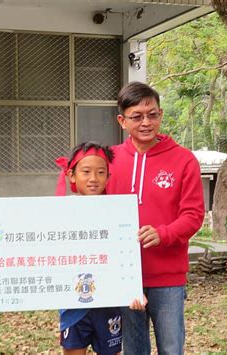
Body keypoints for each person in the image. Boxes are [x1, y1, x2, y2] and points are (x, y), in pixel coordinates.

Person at [106, 82, 204, 354]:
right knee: (134, 349)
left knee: (171, 348)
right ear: (122, 120)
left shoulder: (184, 160)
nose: (146, 122)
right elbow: (85, 195)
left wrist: (164, 233)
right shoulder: (109, 160)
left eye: (152, 114)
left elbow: (194, 215)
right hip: (124, 275)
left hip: (168, 277)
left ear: (160, 114)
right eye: (137, 116)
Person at [55, 141, 146, 355]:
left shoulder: (119, 213)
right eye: (86, 171)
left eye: (100, 172)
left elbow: (126, 254)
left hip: (109, 302)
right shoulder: (59, 212)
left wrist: (134, 289)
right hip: (73, 305)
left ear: (108, 177)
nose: (93, 179)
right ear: (72, 175)